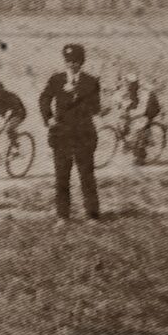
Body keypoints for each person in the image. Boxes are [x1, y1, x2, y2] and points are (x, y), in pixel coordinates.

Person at [39, 43, 102, 223]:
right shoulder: (56, 79)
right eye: (68, 61)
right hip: (62, 134)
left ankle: (92, 215)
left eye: (76, 61)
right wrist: (48, 118)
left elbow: (95, 108)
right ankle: (62, 216)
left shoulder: (91, 81)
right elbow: (44, 98)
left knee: (87, 175)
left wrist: (78, 94)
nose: (72, 64)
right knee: (61, 177)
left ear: (82, 62)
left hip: (84, 134)